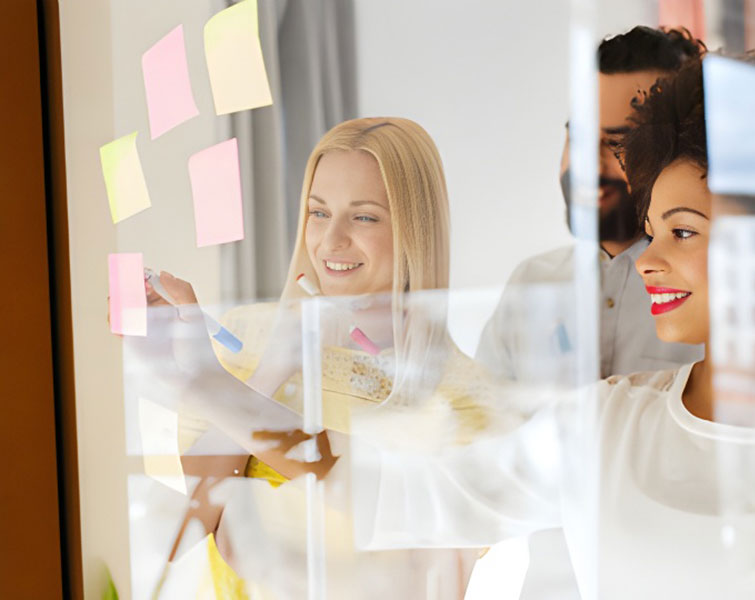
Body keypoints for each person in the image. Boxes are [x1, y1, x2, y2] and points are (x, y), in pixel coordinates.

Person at [352, 52, 755, 599]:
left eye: (682, 233)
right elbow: (415, 494)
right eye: (651, 231)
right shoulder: (604, 422)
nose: (646, 260)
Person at [141, 117, 510, 599]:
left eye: (364, 217)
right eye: (318, 212)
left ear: (414, 227)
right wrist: (271, 368)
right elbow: (187, 527)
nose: (331, 241)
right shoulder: (242, 338)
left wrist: (246, 510)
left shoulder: (463, 396)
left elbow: (418, 583)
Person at [476, 26, 705, 387]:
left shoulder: (707, 294)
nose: (589, 168)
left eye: (618, 144)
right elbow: (483, 424)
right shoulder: (533, 283)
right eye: (579, 139)